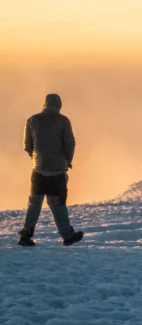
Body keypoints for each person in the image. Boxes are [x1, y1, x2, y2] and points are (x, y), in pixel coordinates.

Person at [18, 94, 84, 247]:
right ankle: (67, 235)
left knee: (34, 202)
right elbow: (70, 144)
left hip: (38, 169)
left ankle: (25, 234)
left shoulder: (32, 120)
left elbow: (27, 145)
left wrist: (36, 159)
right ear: (59, 105)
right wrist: (68, 161)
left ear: (44, 104)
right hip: (57, 171)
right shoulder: (63, 121)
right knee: (58, 204)